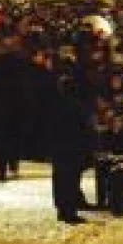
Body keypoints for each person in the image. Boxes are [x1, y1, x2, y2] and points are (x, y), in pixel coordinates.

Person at [49, 74, 94, 224]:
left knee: (60, 179)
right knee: (71, 180)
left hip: (59, 149)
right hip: (73, 149)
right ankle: (69, 211)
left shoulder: (54, 107)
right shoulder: (77, 107)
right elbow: (85, 129)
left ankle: (62, 209)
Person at [0, 34, 26, 180]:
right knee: (12, 138)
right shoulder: (17, 64)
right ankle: (13, 165)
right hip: (13, 107)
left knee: (0, 139)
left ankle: (2, 169)